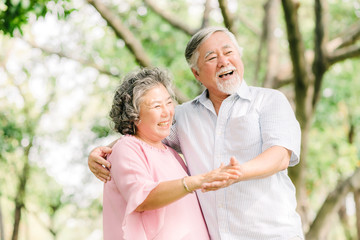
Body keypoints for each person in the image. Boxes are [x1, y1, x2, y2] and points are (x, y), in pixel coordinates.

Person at [89, 26, 304, 240]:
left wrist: (236, 173)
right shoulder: (183, 116)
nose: (223, 61)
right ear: (196, 74)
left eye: (229, 52)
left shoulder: (269, 101)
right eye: (211, 57)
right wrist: (104, 151)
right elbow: (145, 136)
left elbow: (279, 157)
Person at [102, 67, 240, 240]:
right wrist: (198, 181)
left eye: (168, 102)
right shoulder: (126, 148)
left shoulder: (171, 153)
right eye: (156, 106)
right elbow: (142, 198)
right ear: (134, 114)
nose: (167, 112)